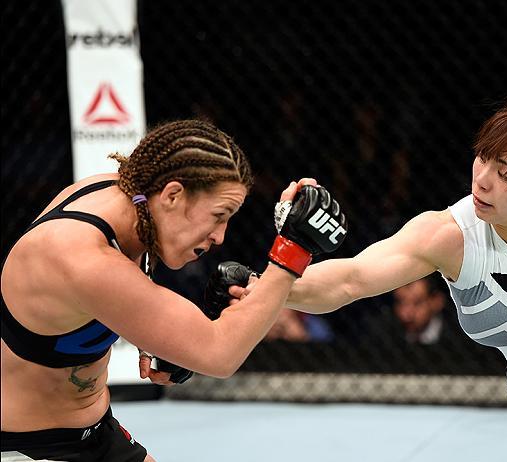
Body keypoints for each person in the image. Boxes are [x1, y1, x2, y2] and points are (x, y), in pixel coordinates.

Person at [234, 92, 507, 461]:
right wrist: (260, 286)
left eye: (505, 173)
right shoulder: (450, 235)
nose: (483, 181)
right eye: (482, 159)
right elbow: (349, 280)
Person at [0, 119, 347, 461]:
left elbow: (99, 301)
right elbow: (219, 355)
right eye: (218, 215)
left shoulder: (131, 201)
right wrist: (293, 250)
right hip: (26, 447)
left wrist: (155, 336)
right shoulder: (82, 256)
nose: (220, 236)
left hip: (96, 435)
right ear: (173, 195)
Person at [390, 275, 447, 345]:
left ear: (437, 302)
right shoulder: (386, 334)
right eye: (400, 302)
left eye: (417, 303)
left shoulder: (458, 333)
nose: (406, 315)